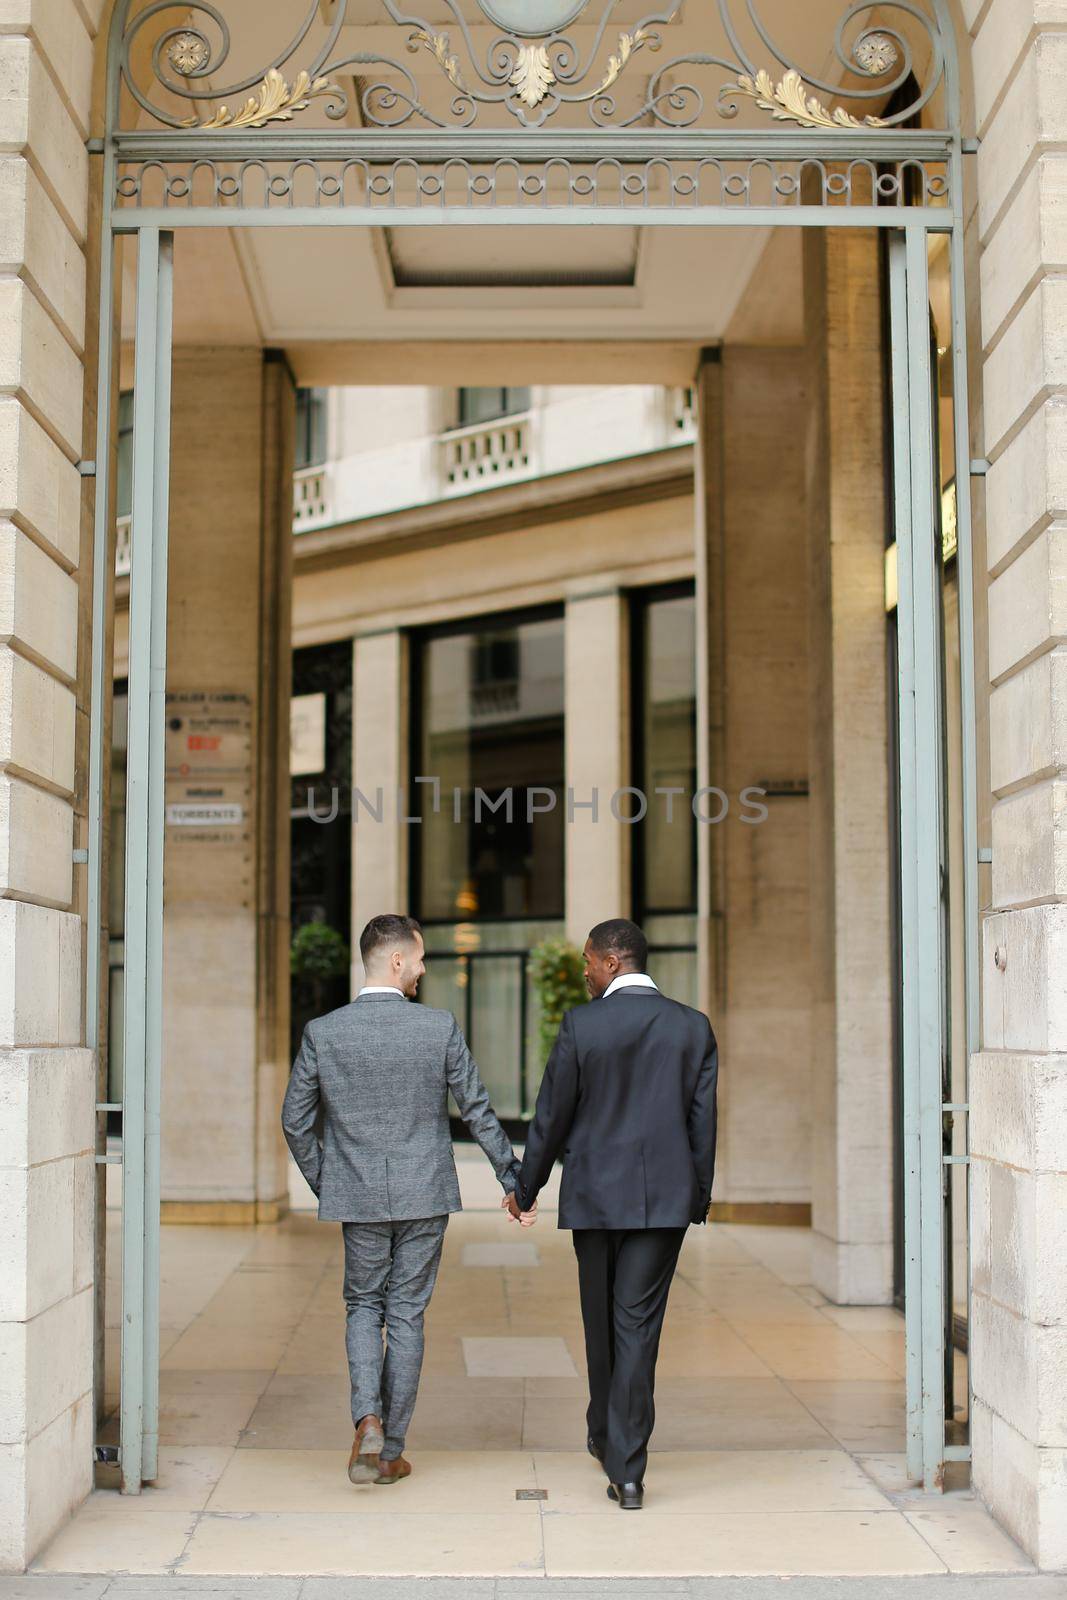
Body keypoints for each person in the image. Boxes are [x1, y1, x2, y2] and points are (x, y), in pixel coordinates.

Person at [281, 912, 535, 1487]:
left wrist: (334, 1181)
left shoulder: (325, 1032)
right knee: (407, 1313)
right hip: (426, 1194)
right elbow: (476, 1109)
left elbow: (295, 1123)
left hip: (360, 1198)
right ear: (396, 961)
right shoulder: (438, 1027)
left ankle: (366, 1418)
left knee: (363, 1307)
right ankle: (390, 1449)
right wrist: (512, 1181)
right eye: (419, 958)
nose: (423, 969)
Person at [505, 917, 718, 1510]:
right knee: (637, 1328)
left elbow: (552, 1117)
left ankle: (612, 1441)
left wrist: (526, 1189)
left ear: (613, 963)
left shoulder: (582, 1025)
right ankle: (622, 1458)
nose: (584, 972)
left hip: (597, 1199)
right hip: (664, 1205)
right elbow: (703, 1123)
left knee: (600, 1323)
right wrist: (696, 1196)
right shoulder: (692, 1027)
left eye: (588, 962)